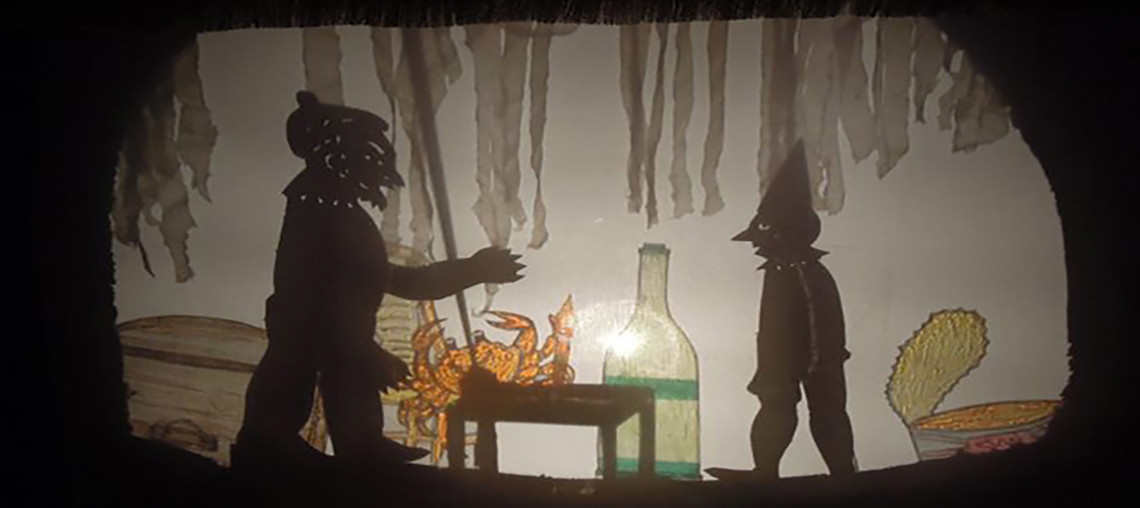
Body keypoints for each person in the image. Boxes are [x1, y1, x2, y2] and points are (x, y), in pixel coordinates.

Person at [233, 91, 525, 476]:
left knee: (346, 376)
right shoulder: (319, 213)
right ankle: (273, 444)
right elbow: (320, 302)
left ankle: (360, 444)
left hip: (338, 337)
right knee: (298, 373)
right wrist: (367, 352)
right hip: (309, 333)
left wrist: (473, 270)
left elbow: (397, 280)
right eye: (369, 154)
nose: (380, 165)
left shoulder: (342, 215)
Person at [731, 141, 856, 479]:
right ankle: (766, 470)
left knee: (822, 411)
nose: (756, 243)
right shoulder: (783, 272)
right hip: (783, 361)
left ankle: (841, 474)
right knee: (779, 409)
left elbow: (816, 324)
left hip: (809, 360)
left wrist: (806, 362)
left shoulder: (800, 272)